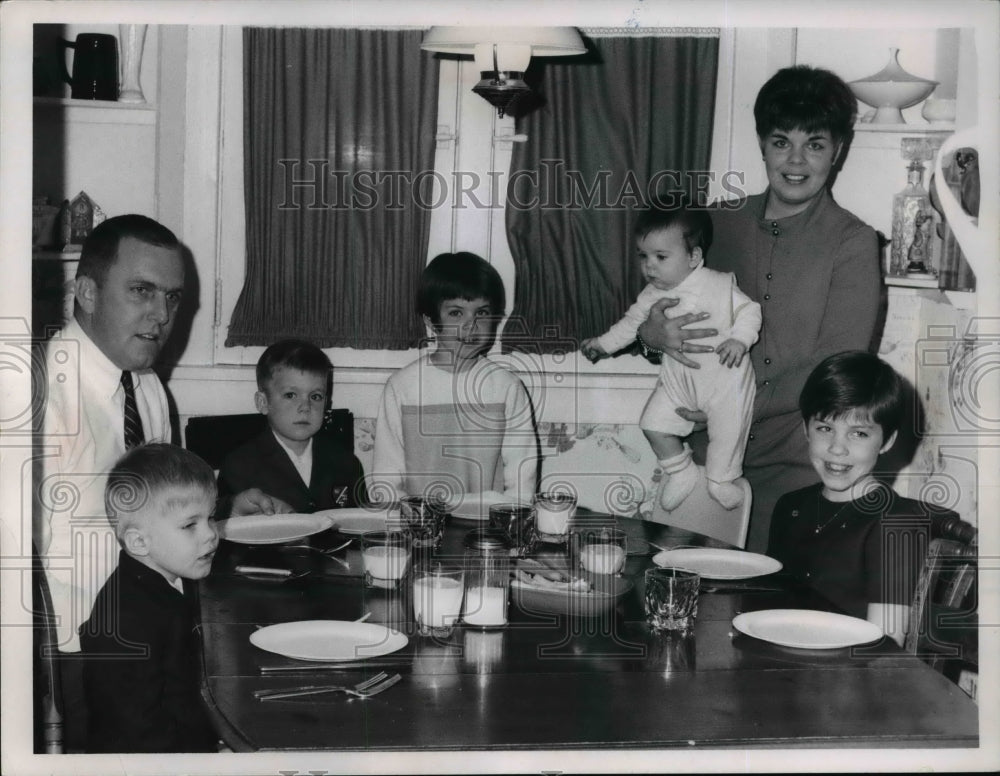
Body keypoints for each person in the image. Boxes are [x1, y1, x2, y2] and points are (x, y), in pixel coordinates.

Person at [33, 214, 289, 749]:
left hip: (159, 627)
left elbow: (155, 509)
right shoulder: (35, 393)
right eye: (141, 291)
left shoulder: (146, 386)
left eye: (172, 298)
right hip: (81, 655)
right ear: (85, 291)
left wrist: (220, 509)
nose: (161, 315)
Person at [636, 65, 881, 551]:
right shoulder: (715, 225)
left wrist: (726, 405)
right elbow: (661, 309)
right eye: (780, 141)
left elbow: (837, 365)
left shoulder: (853, 243)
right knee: (685, 606)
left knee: (767, 615)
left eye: (814, 143)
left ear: (838, 151)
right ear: (762, 144)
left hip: (799, 473)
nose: (795, 159)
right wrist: (650, 335)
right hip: (704, 464)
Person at [767, 351, 957, 646]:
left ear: (887, 441)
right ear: (806, 429)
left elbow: (884, 645)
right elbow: (769, 610)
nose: (837, 448)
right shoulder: (789, 506)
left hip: (849, 681)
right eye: (825, 428)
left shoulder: (897, 526)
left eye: (858, 434)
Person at [581, 203, 760, 511]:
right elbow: (629, 325)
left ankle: (720, 480)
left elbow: (749, 310)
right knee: (652, 422)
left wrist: (739, 340)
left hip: (724, 380)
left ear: (693, 257)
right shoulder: (651, 296)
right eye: (643, 256)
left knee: (727, 434)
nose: (649, 267)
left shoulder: (716, 284)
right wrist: (602, 344)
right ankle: (680, 471)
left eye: (661, 257)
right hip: (679, 383)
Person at [80, 443, 220, 752]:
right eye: (190, 525)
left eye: (211, 517)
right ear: (139, 542)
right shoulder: (125, 624)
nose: (211, 533)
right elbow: (136, 732)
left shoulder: (160, 584)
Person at [372, 252, 538, 511]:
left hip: (486, 529)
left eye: (481, 313)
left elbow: (521, 479)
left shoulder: (506, 388)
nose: (471, 326)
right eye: (456, 313)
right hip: (419, 530)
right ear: (430, 320)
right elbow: (386, 479)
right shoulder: (402, 387)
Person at [218, 339, 368, 513]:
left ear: (327, 403)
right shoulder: (239, 465)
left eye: (316, 397)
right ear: (263, 402)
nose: (305, 407)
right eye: (291, 395)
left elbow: (361, 523)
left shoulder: (347, 463)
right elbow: (222, 520)